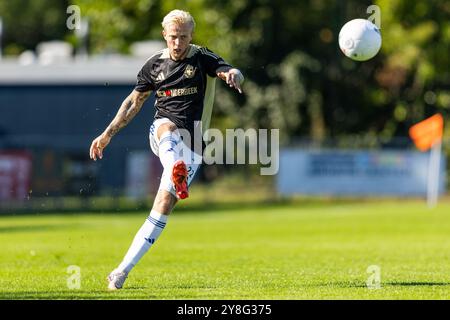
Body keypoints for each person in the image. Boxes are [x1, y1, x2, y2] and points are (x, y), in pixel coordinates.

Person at [89, 9, 244, 290]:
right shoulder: (154, 65)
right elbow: (133, 103)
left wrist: (234, 74)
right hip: (163, 135)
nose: (178, 43)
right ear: (165, 35)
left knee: (161, 208)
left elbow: (227, 69)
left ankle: (121, 271)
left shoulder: (202, 57)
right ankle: (175, 168)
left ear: (191, 36)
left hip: (194, 144)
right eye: (173, 37)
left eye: (183, 37)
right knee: (167, 126)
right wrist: (106, 134)